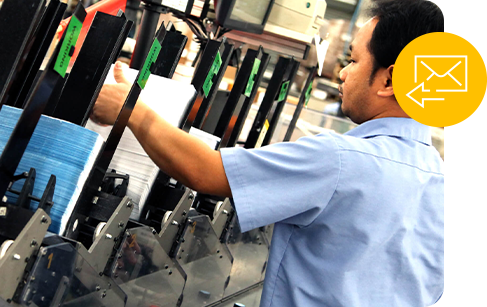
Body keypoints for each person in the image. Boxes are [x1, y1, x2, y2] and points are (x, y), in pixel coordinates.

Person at [91, 0, 444, 306]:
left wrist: (132, 110)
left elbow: (208, 173)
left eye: (353, 60)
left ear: (390, 81)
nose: (342, 74)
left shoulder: (341, 161)